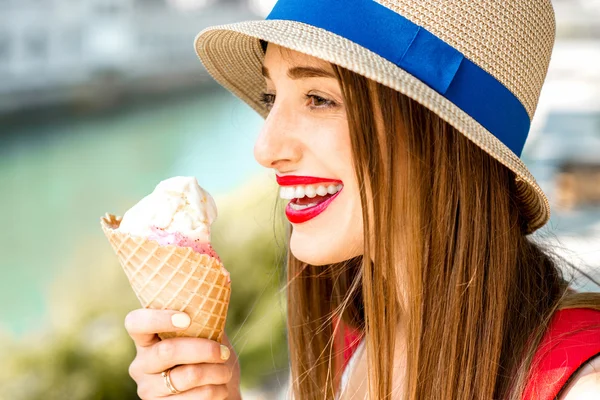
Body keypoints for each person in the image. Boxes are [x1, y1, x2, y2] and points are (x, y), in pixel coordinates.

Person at [124, 0, 600, 399]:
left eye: (319, 98)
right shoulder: (347, 339)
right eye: (273, 98)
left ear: (439, 135)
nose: (265, 150)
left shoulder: (579, 384)